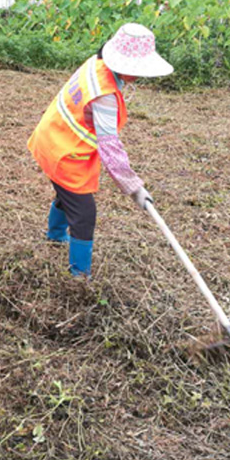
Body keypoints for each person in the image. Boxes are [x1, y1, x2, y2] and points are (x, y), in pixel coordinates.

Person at [27, 23, 173, 276]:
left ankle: (55, 236)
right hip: (64, 154)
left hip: (50, 138)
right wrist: (134, 188)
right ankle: (79, 276)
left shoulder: (96, 63)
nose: (139, 76)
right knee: (84, 214)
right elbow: (110, 147)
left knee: (67, 197)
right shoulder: (103, 95)